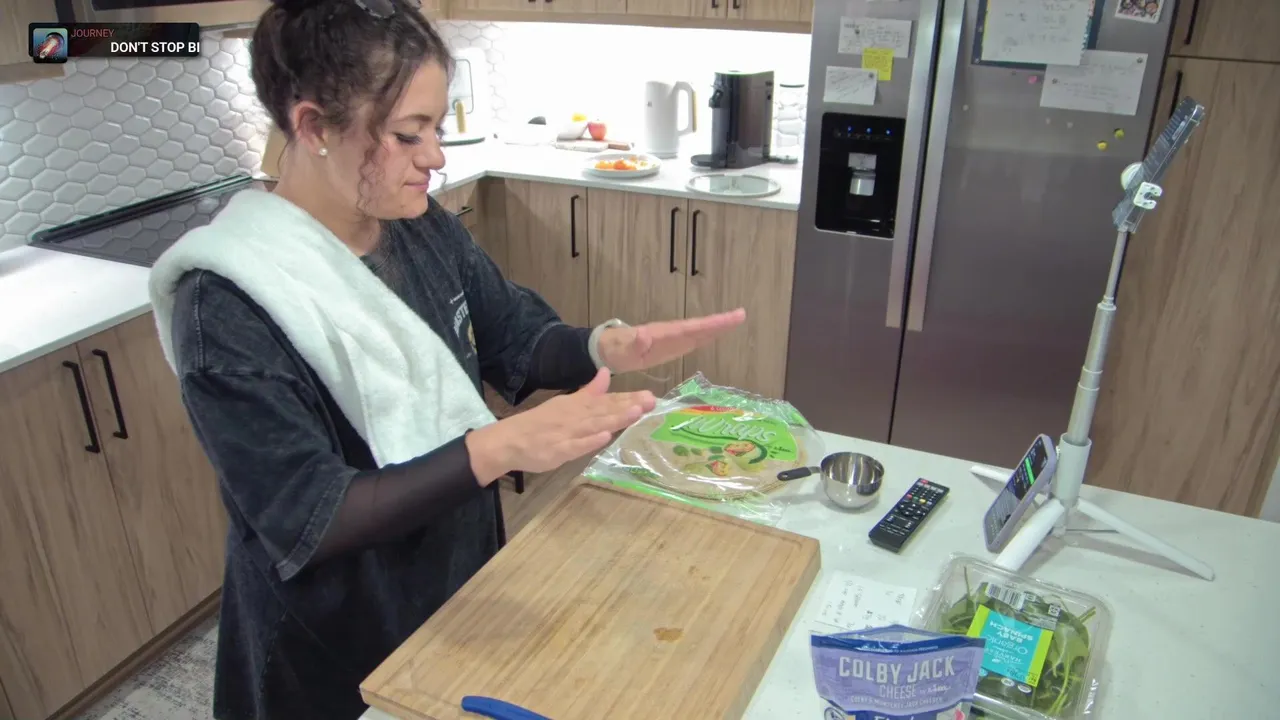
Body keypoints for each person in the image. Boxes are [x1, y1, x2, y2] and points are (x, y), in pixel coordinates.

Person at [155, 0, 747, 717]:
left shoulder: (416, 225)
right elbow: (309, 517)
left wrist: (604, 345)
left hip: (456, 584)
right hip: (330, 642)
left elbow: (513, 336)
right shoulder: (228, 301)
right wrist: (498, 447)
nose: (435, 156)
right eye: (409, 134)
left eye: (436, 127)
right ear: (314, 127)